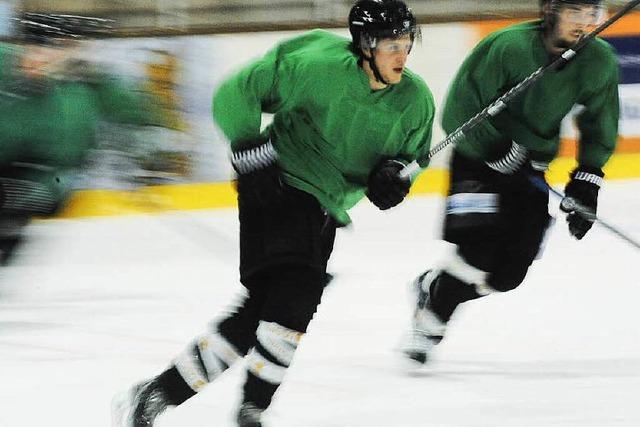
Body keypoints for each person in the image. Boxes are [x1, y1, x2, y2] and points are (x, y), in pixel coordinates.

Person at [112, 1, 435, 426]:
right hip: (278, 184)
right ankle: (253, 409)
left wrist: (396, 177)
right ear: (365, 45)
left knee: (262, 312)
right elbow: (238, 91)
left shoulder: (416, 100)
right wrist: (248, 148)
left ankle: (159, 394)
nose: (402, 55)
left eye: (407, 44)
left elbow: (411, 159)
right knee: (297, 294)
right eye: (392, 44)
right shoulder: (318, 65)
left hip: (326, 209)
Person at [401, 0, 619, 365]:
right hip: (477, 159)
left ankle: (433, 285)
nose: (584, 23)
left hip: (530, 169)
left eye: (592, 14)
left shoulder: (599, 61)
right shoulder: (508, 46)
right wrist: (495, 147)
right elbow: (460, 106)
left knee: (508, 274)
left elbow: (601, 121)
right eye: (575, 12)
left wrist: (588, 179)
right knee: (478, 250)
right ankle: (432, 320)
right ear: (550, 10)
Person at [0, 13, 158, 264]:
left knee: (13, 224)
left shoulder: (85, 86)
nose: (38, 60)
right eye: (32, 52)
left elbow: (133, 115)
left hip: (41, 177)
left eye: (49, 53)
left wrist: (141, 158)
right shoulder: (4, 63)